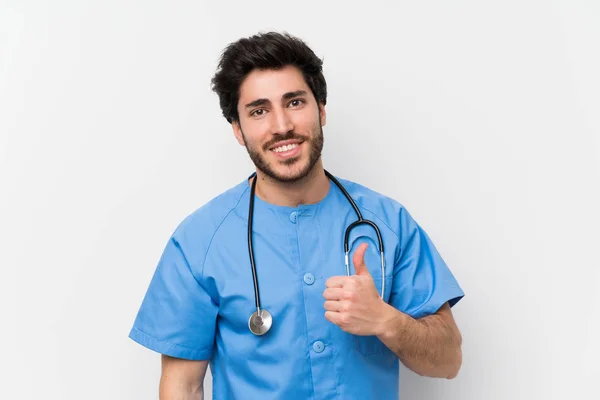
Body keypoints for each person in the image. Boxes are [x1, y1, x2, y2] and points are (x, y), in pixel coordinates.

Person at [129, 31, 465, 400]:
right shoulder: (199, 241)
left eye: (294, 102)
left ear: (321, 109)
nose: (281, 126)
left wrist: (386, 320)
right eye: (259, 111)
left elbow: (448, 361)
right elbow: (182, 386)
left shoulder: (388, 223)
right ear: (238, 130)